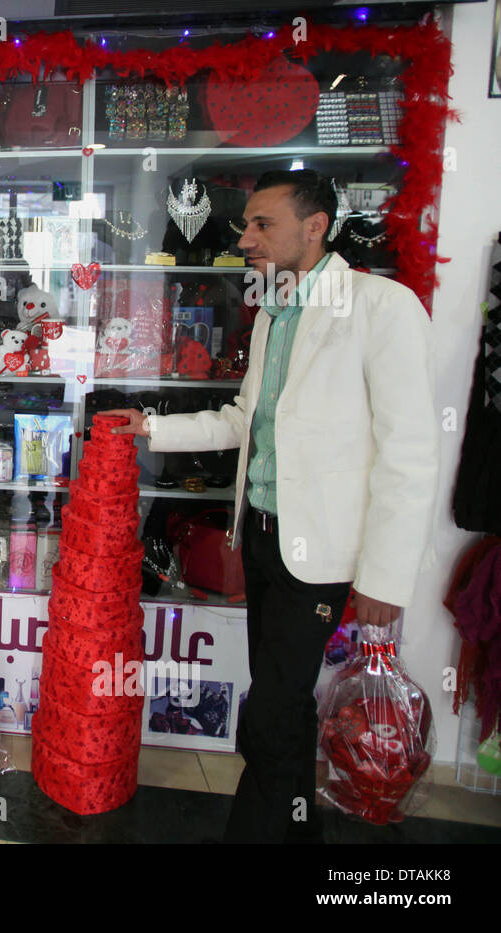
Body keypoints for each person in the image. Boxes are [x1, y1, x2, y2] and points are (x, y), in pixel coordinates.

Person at [103, 169, 437, 843]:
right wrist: (152, 428)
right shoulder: (275, 315)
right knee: (286, 708)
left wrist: (384, 577)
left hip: (320, 555)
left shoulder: (382, 306)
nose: (246, 238)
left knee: (270, 714)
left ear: (316, 227)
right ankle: (298, 829)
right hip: (261, 540)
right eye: (246, 225)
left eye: (263, 225)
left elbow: (410, 454)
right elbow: (240, 421)